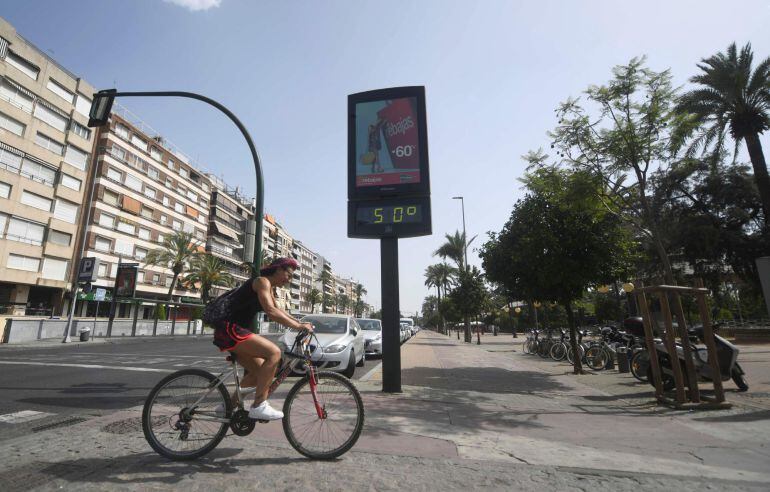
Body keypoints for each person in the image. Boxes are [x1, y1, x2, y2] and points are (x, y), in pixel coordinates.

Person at [211, 257, 313, 420]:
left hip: (232, 330)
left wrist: (300, 323)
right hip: (229, 329)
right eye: (289, 274)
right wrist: (298, 327)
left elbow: (278, 310)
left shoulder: (270, 287)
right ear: (278, 269)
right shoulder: (261, 282)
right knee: (274, 353)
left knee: (258, 374)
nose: (289, 279)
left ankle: (227, 407)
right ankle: (259, 406)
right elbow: (271, 312)